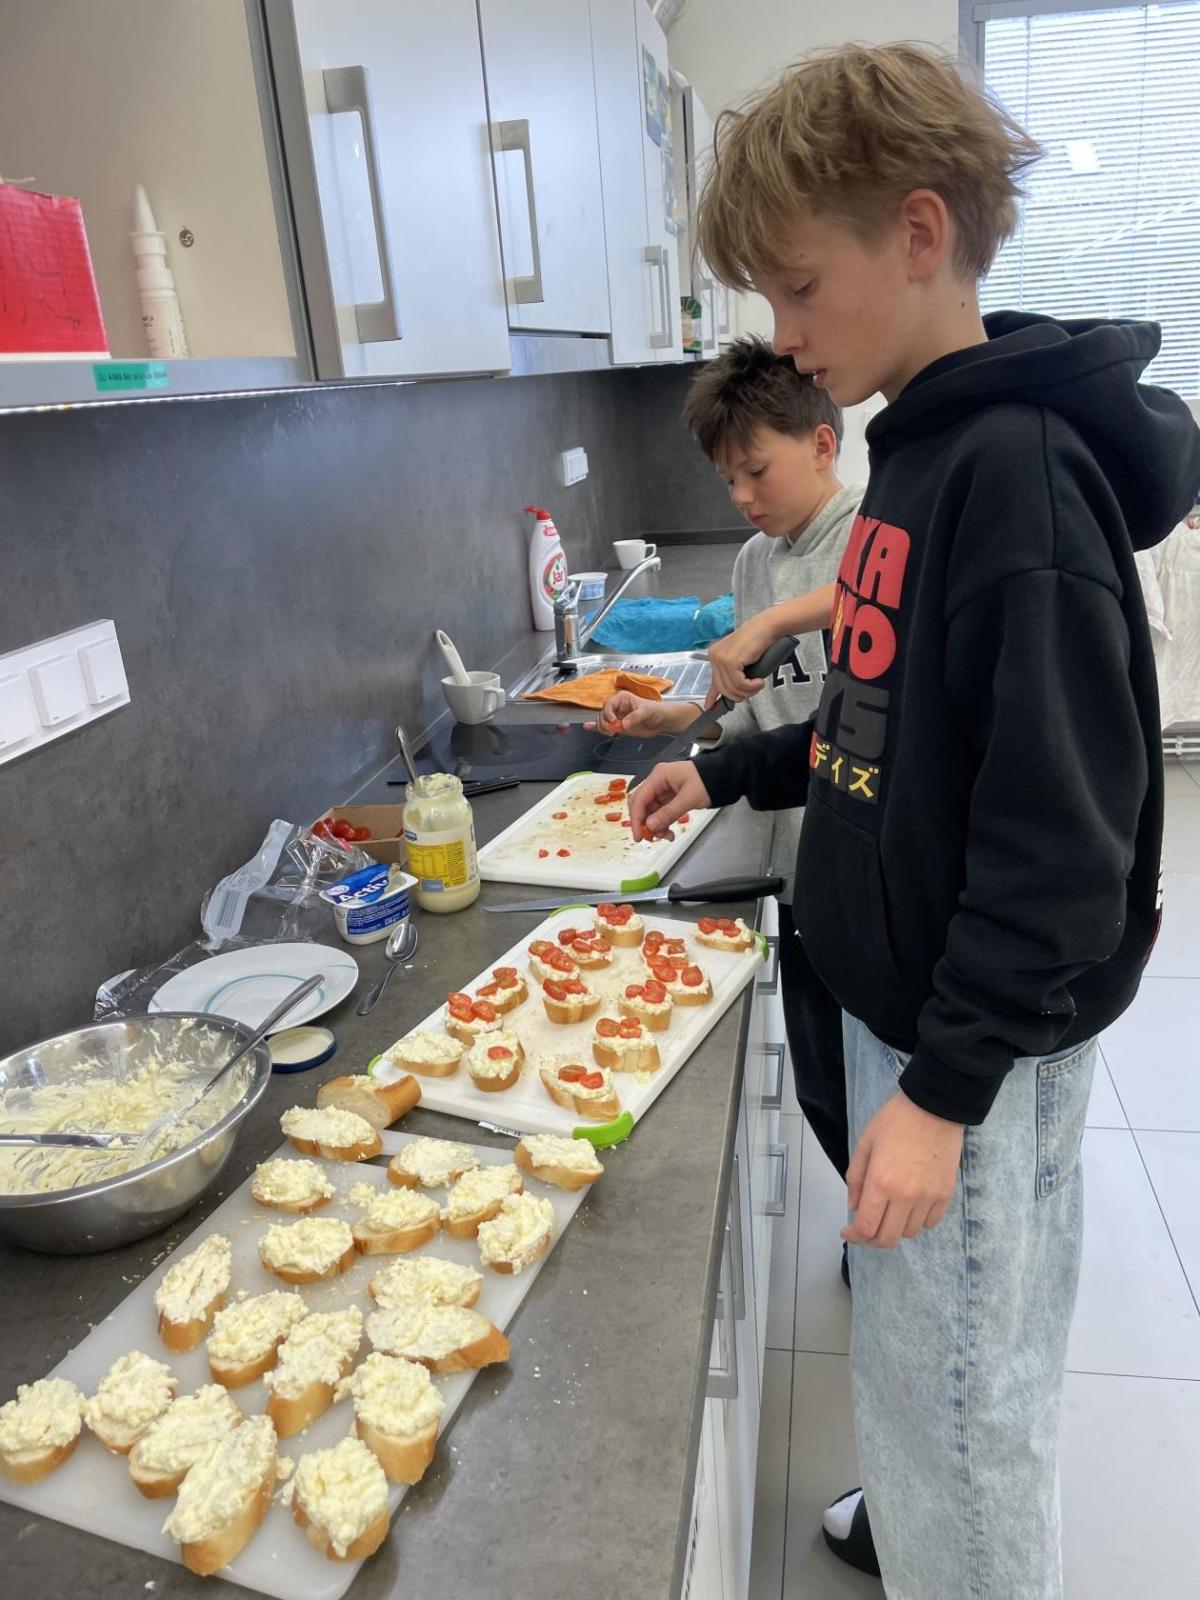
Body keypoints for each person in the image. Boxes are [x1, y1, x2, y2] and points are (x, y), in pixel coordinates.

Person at [628, 42, 1200, 1597]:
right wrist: (733, 773)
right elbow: (886, 723)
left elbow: (1063, 839)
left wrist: (944, 1095)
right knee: (935, 1356)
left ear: (922, 233)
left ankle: (958, 1548)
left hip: (970, 1033)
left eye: (801, 288)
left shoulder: (1017, 478)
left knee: (967, 1403)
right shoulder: (922, 448)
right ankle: (918, 1519)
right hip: (919, 1002)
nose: (786, 335)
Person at [593, 336, 858, 1182]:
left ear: (822, 444)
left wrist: (776, 620)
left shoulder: (871, 533)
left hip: (862, 852)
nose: (742, 496)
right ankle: (862, 1211)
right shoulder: (754, 561)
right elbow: (755, 699)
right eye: (727, 481)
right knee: (823, 1075)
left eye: (757, 471)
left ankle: (884, 1227)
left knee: (874, 1071)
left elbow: (871, 595)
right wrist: (680, 717)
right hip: (791, 854)